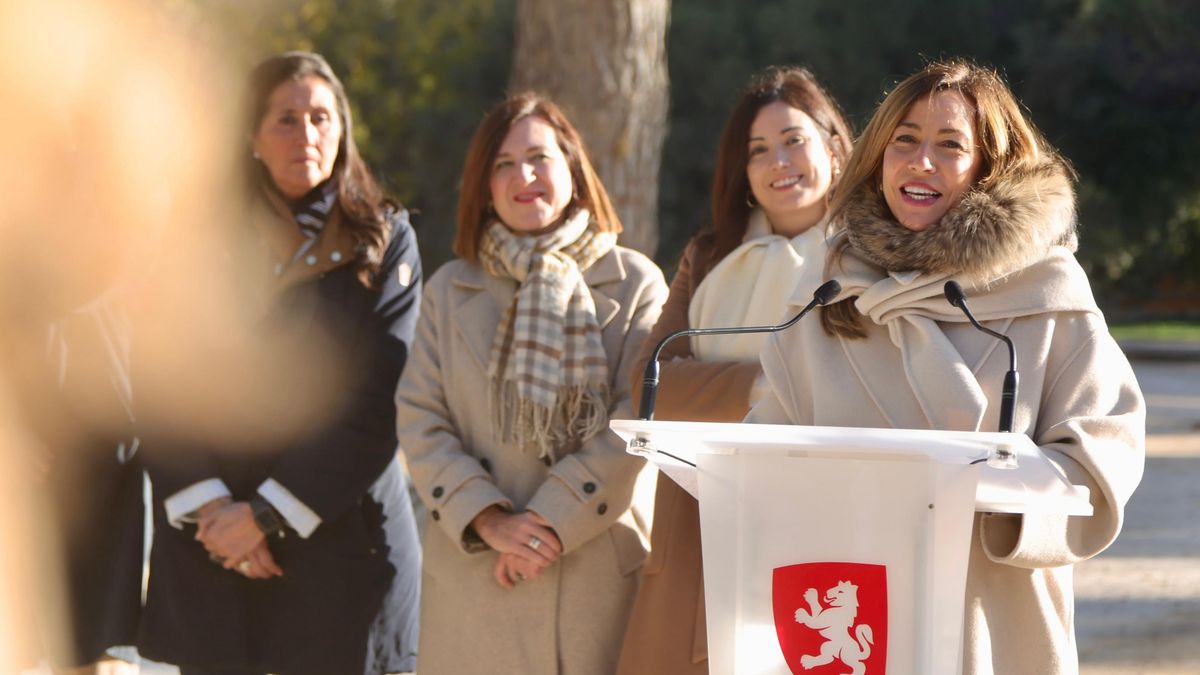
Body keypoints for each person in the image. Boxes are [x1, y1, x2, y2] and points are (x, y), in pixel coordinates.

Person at [746, 59, 1145, 674]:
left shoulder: (1048, 293)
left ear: (990, 169)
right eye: (904, 140)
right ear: (878, 155)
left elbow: (1103, 458)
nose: (920, 161)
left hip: (987, 615)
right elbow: (763, 446)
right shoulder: (824, 291)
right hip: (856, 622)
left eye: (950, 145)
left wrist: (987, 493)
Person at [137, 51, 422, 675]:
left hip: (343, 548)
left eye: (322, 118)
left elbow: (378, 401)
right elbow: (160, 382)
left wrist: (267, 515)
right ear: (251, 137)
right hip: (214, 553)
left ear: (343, 131)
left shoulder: (384, 238)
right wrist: (218, 514)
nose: (307, 135)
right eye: (286, 120)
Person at [395, 92, 667, 675]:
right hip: (476, 578)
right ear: (484, 187)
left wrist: (545, 525)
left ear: (572, 167)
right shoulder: (448, 289)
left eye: (540, 157)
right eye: (503, 164)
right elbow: (421, 420)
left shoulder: (637, 282)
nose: (525, 176)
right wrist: (491, 521)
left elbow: (638, 419)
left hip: (593, 576)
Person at [614, 65, 852, 675]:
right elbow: (650, 384)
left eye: (793, 140)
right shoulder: (709, 257)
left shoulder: (870, 260)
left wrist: (713, 387)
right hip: (698, 522)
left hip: (827, 521)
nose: (780, 161)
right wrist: (767, 383)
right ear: (742, 173)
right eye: (758, 150)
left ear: (832, 145)